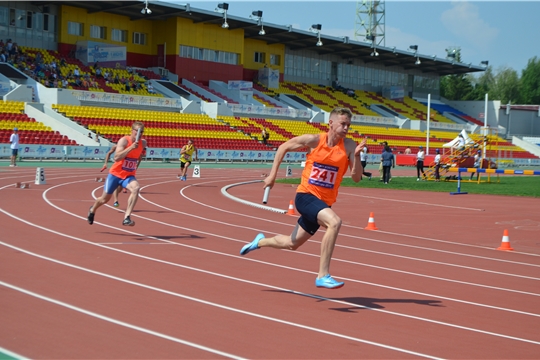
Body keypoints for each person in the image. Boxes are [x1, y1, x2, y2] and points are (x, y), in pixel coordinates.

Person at [240, 107, 366, 289]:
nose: (346, 128)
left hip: (323, 203)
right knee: (335, 222)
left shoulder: (350, 146)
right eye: (343, 124)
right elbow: (283, 147)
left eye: (349, 125)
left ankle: (259, 241)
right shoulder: (314, 140)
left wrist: (356, 157)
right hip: (306, 196)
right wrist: (272, 175)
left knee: (292, 243)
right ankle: (323, 275)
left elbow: (356, 178)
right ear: (331, 123)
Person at [87, 121, 146, 227]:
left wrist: (136, 164)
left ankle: (127, 217)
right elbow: (116, 157)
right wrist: (131, 147)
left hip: (128, 176)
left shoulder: (143, 143)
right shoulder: (124, 141)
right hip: (115, 175)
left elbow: (139, 155)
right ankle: (92, 209)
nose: (140, 134)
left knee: (136, 188)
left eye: (142, 132)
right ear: (132, 131)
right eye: (137, 131)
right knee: (104, 199)